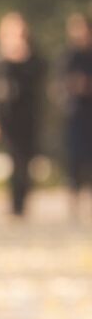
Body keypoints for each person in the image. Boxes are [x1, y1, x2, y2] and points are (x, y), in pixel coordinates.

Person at [0, 12, 46, 217]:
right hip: (5, 114)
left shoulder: (32, 54)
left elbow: (39, 78)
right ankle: (14, 204)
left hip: (27, 114)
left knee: (25, 159)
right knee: (12, 157)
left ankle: (22, 203)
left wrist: (22, 57)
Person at [60, 13, 92, 218]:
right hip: (74, 114)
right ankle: (74, 202)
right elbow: (60, 85)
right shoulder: (68, 57)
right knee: (74, 160)